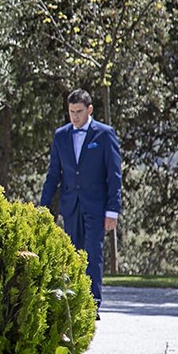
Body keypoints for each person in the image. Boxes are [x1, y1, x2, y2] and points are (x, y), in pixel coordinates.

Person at [39, 89, 122, 312]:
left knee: (92, 254)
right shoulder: (61, 135)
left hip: (96, 207)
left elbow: (114, 175)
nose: (75, 116)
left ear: (89, 109)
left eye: (79, 111)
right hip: (71, 206)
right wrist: (43, 207)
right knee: (72, 254)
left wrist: (113, 210)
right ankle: (74, 303)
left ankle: (92, 304)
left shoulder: (104, 134)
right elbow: (53, 175)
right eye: (71, 112)